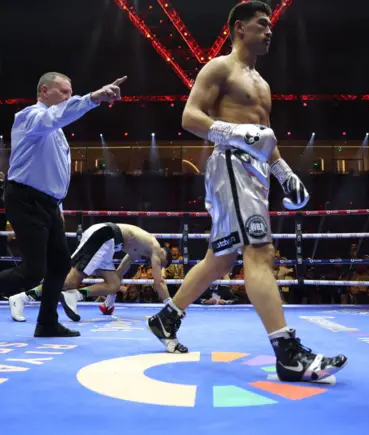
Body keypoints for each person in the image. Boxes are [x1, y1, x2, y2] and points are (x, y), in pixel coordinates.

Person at [147, 1, 347, 383]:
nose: (270, 30)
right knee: (259, 251)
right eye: (262, 24)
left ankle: (166, 317)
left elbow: (266, 136)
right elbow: (189, 117)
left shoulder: (262, 83)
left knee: (220, 259)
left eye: (270, 24)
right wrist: (238, 133)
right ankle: (287, 353)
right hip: (231, 165)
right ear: (239, 28)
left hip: (255, 171)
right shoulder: (220, 67)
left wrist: (285, 173)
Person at [0, 72, 127, 338]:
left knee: (59, 266)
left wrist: (58, 207)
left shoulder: (56, 133)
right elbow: (55, 116)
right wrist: (93, 98)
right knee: (33, 271)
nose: (68, 97)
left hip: (48, 204)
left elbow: (52, 173)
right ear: (44, 91)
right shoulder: (30, 117)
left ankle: (46, 323)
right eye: (63, 92)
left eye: (71, 93)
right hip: (26, 198)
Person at [7, 223, 172, 322]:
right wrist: (171, 307)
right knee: (70, 281)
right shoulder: (155, 248)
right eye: (160, 263)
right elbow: (159, 282)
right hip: (103, 236)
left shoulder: (140, 251)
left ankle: (75, 295)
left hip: (109, 244)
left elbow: (121, 271)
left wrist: (109, 304)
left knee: (114, 283)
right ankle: (21, 298)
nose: (156, 264)